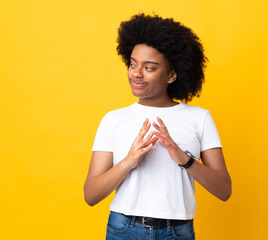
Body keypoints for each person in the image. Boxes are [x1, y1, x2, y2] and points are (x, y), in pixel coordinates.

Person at [84, 13, 232, 240]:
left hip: (177, 232)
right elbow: (91, 194)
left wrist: (184, 158)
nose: (136, 73)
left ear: (172, 74)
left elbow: (224, 190)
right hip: (123, 230)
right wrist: (128, 161)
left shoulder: (199, 118)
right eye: (133, 64)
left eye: (149, 68)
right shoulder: (113, 119)